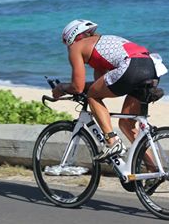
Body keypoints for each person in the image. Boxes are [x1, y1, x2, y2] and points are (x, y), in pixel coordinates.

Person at [52, 19, 158, 162]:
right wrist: (83, 88)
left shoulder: (76, 47)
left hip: (131, 66)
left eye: (67, 44)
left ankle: (112, 141)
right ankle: (153, 168)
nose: (68, 48)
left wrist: (62, 88)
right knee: (126, 124)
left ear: (73, 38)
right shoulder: (100, 45)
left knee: (92, 97)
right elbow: (100, 85)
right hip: (151, 65)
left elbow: (78, 87)